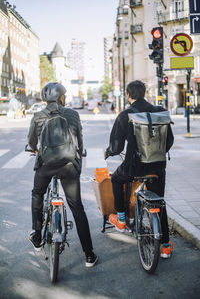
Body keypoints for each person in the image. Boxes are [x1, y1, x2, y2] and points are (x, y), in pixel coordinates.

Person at [27, 82, 98, 267]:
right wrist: (78, 160)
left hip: (46, 166)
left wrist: (35, 150)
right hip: (69, 166)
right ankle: (89, 254)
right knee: (77, 207)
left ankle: (36, 235)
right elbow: (79, 141)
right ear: (61, 97)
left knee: (37, 194)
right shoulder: (73, 114)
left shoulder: (37, 116)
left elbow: (32, 142)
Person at [105, 80, 174, 259]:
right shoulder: (159, 112)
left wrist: (109, 152)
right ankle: (166, 246)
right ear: (144, 93)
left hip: (133, 167)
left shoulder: (125, 115)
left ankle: (121, 219)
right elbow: (169, 140)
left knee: (116, 179)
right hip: (157, 167)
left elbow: (116, 147)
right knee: (159, 202)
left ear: (128, 95)